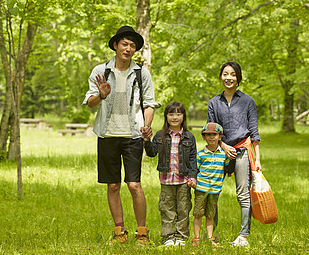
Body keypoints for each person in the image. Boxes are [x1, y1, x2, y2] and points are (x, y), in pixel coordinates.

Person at [82, 25, 159, 245]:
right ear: (115, 45)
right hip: (107, 135)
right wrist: (101, 95)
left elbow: (150, 102)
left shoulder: (141, 72)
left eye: (132, 45)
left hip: (133, 135)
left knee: (134, 185)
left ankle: (142, 232)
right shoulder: (100, 71)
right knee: (113, 185)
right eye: (124, 44)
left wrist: (147, 125)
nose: (128, 48)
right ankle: (119, 232)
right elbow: (89, 102)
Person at [207, 62, 261, 247]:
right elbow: (211, 131)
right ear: (221, 77)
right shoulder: (214, 102)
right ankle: (210, 235)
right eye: (225, 74)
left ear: (238, 78)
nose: (228, 78)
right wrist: (222, 145)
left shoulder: (248, 101)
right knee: (211, 191)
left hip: (242, 151)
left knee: (243, 194)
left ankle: (243, 236)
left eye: (232, 74)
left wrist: (258, 159)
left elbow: (254, 132)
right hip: (219, 152)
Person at [146, 101, 197, 246]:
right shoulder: (160, 135)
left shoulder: (189, 137)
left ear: (183, 117)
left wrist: (193, 176)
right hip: (166, 180)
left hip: (183, 181)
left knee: (183, 208)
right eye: (171, 114)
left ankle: (181, 237)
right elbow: (151, 153)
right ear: (166, 117)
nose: (175, 117)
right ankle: (168, 236)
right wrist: (146, 140)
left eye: (178, 114)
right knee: (167, 209)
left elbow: (193, 159)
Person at [191, 122, 229, 247]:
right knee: (198, 214)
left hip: (215, 190)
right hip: (201, 189)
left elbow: (229, 168)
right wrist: (193, 181)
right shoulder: (200, 154)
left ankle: (210, 237)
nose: (211, 137)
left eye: (214, 134)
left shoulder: (224, 154)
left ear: (220, 136)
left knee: (210, 215)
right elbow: (195, 170)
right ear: (203, 137)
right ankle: (196, 237)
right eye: (208, 135)